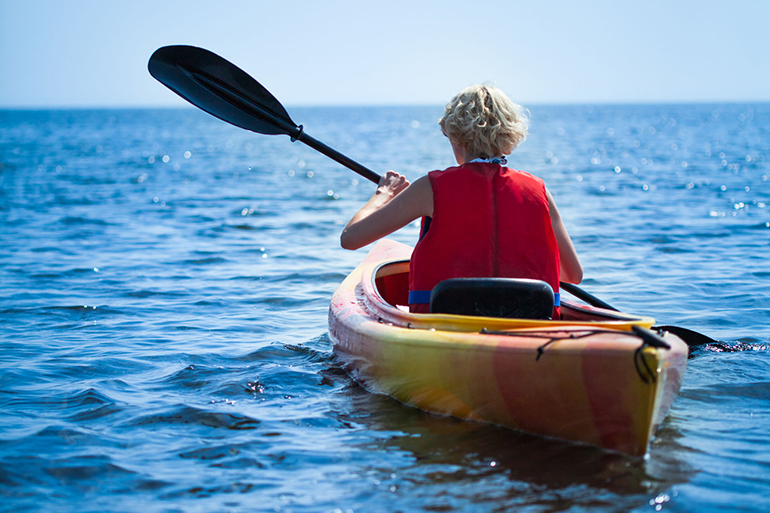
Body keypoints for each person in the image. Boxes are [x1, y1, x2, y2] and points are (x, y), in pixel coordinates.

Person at [341, 84, 582, 316]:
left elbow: (351, 238)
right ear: (509, 135)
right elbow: (572, 274)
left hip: (444, 323)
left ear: (456, 136)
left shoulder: (430, 188)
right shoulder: (538, 191)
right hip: (528, 322)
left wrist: (383, 194)